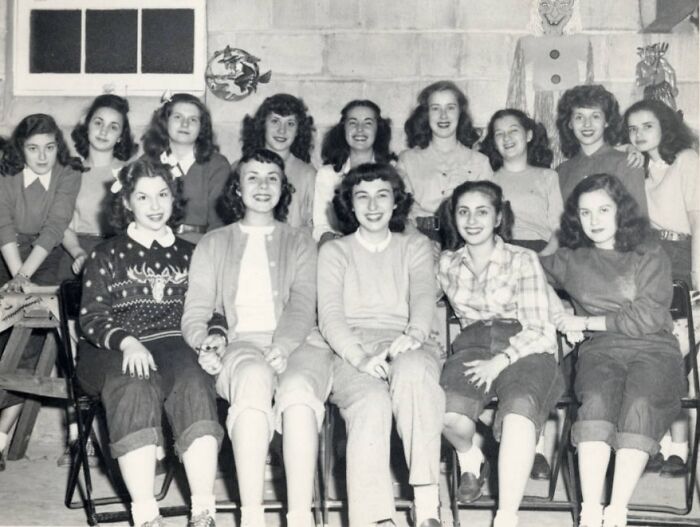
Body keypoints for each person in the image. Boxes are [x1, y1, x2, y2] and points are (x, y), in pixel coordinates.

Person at [182, 149, 330, 527]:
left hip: (300, 343)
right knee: (250, 382)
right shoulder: (212, 243)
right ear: (237, 187)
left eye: (272, 178)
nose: (263, 186)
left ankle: (299, 518)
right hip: (239, 343)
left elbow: (302, 303)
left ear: (284, 188)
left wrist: (282, 346)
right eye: (253, 177)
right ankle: (252, 518)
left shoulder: (300, 241)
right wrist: (205, 343)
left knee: (297, 395)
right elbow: (196, 312)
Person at [75, 159, 223, 527]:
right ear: (126, 202)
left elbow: (212, 309)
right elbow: (92, 317)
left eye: (162, 195)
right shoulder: (106, 254)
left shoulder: (192, 254)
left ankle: (203, 509)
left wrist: (214, 337)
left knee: (194, 380)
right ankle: (146, 514)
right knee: (134, 382)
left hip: (174, 344)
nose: (154, 206)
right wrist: (126, 342)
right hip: (112, 349)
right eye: (143, 197)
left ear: (174, 198)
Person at [541, 173, 685, 527]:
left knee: (640, 404)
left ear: (621, 211)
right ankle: (591, 513)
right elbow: (524, 269)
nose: (595, 221)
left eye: (604, 210)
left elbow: (648, 316)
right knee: (596, 404)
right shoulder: (571, 258)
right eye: (586, 213)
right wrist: (557, 311)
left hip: (655, 348)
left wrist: (585, 323)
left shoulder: (648, 251)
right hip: (601, 352)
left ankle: (616, 511)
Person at [318, 163, 444, 527]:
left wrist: (415, 334)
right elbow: (330, 315)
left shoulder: (414, 246)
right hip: (352, 347)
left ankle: (427, 505)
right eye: (362, 197)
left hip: (408, 339)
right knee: (371, 403)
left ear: (395, 203)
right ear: (350, 205)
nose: (372, 205)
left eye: (382, 196)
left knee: (414, 374)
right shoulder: (335, 251)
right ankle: (374, 519)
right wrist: (359, 358)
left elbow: (423, 297)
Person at [438, 180, 564, 527]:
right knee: (446, 415)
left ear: (498, 218)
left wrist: (501, 360)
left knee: (519, 414)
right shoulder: (447, 263)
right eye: (463, 212)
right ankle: (471, 458)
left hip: (525, 344)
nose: (472, 220)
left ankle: (506, 516)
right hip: (472, 343)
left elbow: (540, 328)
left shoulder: (523, 258)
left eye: (482, 211)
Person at [0, 113, 83, 471]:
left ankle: (0, 438)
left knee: (30, 340)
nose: (42, 156)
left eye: (49, 147)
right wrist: (15, 273)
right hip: (7, 251)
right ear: (21, 149)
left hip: (44, 256)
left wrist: (23, 276)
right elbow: (2, 223)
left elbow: (54, 228)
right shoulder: (6, 169)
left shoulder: (69, 172)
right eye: (33, 148)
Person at [624, 98, 700, 478]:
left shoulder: (687, 160)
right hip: (650, 265)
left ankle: (679, 449)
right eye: (632, 128)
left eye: (647, 126)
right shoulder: (638, 166)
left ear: (665, 127)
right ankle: (651, 444)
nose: (638, 134)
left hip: (685, 260)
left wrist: (698, 279)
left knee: (676, 357)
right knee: (652, 355)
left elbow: (698, 222)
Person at [398, 80, 493, 241]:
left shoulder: (480, 162)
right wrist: (420, 242)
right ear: (426, 114)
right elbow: (399, 212)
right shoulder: (408, 159)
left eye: (450, 107)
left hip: (466, 238)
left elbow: (489, 212)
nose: (443, 115)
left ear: (460, 113)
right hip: (417, 237)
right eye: (435, 108)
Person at [62, 94, 138, 277]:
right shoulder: (69, 171)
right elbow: (60, 224)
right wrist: (78, 253)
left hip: (118, 253)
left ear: (120, 136)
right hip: (74, 252)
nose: (104, 131)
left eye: (113, 127)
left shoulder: (130, 173)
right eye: (98, 123)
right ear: (87, 125)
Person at [141, 92, 229, 244]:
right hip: (153, 244)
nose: (185, 124)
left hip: (201, 246)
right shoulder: (146, 163)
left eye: (193, 119)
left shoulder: (217, 165)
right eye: (178, 117)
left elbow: (219, 223)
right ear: (165, 121)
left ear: (201, 127)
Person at [480, 108, 563, 255]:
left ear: (529, 135)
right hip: (500, 251)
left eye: (513, 131)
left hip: (541, 251)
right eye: (499, 133)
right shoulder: (487, 180)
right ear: (494, 142)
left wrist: (542, 257)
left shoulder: (548, 177)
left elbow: (559, 228)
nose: (507, 138)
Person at [556, 84, 648, 215]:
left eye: (595, 116)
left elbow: (640, 221)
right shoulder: (562, 171)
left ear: (607, 121)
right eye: (579, 117)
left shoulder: (627, 163)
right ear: (570, 123)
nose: (587, 124)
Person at [313, 99, 397, 243]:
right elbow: (322, 226)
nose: (360, 129)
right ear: (343, 128)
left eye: (368, 123)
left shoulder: (393, 170)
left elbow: (399, 222)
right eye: (353, 122)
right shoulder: (327, 174)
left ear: (379, 129)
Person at [240, 93, 316, 233]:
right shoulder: (241, 168)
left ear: (299, 131)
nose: (282, 130)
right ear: (263, 125)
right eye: (275, 121)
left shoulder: (308, 174)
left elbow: (313, 227)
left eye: (290, 123)